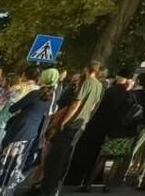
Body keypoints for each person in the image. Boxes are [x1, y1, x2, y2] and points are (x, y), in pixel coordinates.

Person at [38, 61, 104, 196]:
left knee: (56, 157)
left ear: (87, 69)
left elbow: (75, 104)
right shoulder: (100, 86)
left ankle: (48, 187)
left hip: (71, 123)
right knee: (66, 156)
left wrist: (64, 121)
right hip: (82, 124)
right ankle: (56, 186)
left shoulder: (88, 82)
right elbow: (93, 107)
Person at [0, 70, 57, 196]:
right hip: (31, 134)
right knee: (15, 164)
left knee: (4, 162)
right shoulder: (50, 96)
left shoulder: (35, 94)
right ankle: (7, 191)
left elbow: (13, 108)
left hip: (18, 131)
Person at [66, 67, 133, 187]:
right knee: (97, 155)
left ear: (117, 77)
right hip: (109, 128)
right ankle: (92, 178)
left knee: (83, 152)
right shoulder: (126, 95)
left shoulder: (108, 90)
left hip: (95, 124)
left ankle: (74, 177)